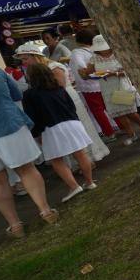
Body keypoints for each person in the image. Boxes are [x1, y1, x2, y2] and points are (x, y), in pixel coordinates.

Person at [15, 42, 110, 163]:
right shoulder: (34, 71)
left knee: (78, 128)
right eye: (22, 59)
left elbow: (59, 87)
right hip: (53, 102)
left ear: (35, 56)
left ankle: (88, 159)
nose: (24, 62)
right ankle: (78, 162)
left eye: (25, 58)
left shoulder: (54, 66)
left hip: (64, 99)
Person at [0, 66, 58, 238]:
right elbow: (16, 94)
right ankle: (45, 211)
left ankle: (15, 225)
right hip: (8, 124)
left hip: (6, 124)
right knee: (26, 170)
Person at [22, 64, 97, 203]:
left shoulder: (29, 94)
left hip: (51, 128)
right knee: (80, 154)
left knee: (56, 160)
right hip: (72, 123)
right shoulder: (59, 88)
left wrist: (36, 134)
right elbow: (71, 107)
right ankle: (89, 182)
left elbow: (32, 117)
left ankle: (74, 186)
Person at [86, 35, 140, 145]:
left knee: (129, 111)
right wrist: (89, 73)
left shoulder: (118, 54)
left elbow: (129, 70)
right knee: (118, 113)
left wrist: (114, 73)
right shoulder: (94, 57)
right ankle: (131, 134)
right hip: (106, 87)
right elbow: (89, 72)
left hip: (121, 85)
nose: (102, 50)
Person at [69, 29, 116, 139]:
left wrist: (88, 72)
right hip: (104, 81)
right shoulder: (97, 50)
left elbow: (82, 68)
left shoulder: (77, 52)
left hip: (89, 85)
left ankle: (109, 133)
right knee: (110, 107)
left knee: (97, 110)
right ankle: (123, 127)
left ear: (78, 40)